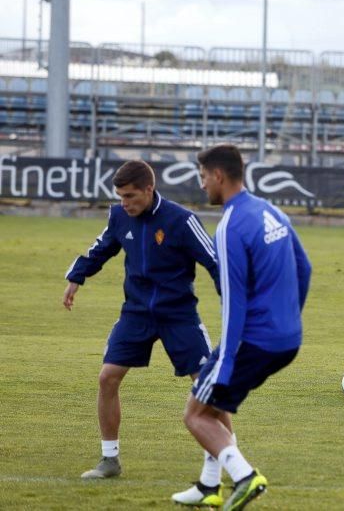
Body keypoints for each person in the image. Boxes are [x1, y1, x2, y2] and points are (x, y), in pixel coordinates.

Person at [63, 160, 221, 483]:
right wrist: (77, 276)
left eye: (131, 196)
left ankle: (223, 461)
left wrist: (233, 302)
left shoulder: (182, 220)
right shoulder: (119, 216)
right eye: (120, 196)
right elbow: (102, 248)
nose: (124, 203)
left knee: (206, 385)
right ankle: (109, 461)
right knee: (107, 378)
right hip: (135, 313)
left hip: (178, 314)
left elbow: (215, 261)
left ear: (149, 190)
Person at [177, 144, 311, 511]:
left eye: (203, 177)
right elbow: (305, 268)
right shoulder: (271, 211)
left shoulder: (230, 225)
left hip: (253, 339)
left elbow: (232, 302)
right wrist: (289, 318)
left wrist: (226, 359)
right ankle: (208, 487)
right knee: (216, 405)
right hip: (286, 338)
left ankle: (245, 477)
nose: (202, 185)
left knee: (196, 413)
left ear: (218, 176)